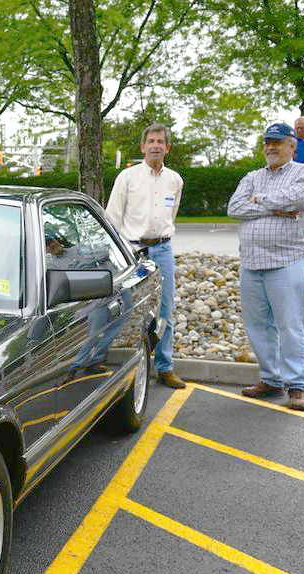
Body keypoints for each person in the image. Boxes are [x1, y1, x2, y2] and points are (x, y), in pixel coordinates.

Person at [227, 122, 304, 411]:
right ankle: (270, 379)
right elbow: (234, 208)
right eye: (267, 142)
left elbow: (297, 199)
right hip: (252, 262)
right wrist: (280, 210)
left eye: (277, 142)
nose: (270, 147)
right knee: (258, 326)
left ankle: (296, 385)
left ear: (292, 145)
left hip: (287, 259)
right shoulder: (253, 176)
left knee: (290, 325)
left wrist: (260, 201)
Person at [105, 123, 185, 388]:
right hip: (132, 251)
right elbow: (112, 219)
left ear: (167, 148)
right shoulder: (127, 178)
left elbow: (170, 216)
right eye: (150, 141)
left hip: (162, 249)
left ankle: (165, 366)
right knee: (124, 307)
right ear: (142, 147)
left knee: (165, 309)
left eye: (160, 141)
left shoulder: (175, 180)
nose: (155, 145)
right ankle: (109, 363)